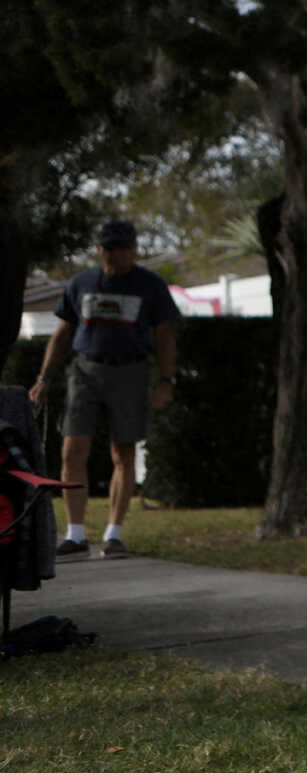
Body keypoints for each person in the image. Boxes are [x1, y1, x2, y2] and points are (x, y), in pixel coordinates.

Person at [28, 220, 178, 559]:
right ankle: (76, 534)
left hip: (130, 371)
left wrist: (166, 381)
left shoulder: (149, 285)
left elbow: (164, 335)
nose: (119, 255)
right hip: (85, 371)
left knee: (122, 453)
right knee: (72, 451)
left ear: (134, 250)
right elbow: (63, 333)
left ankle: (113, 534)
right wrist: (43, 377)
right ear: (99, 250)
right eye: (111, 248)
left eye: (125, 248)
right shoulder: (80, 284)